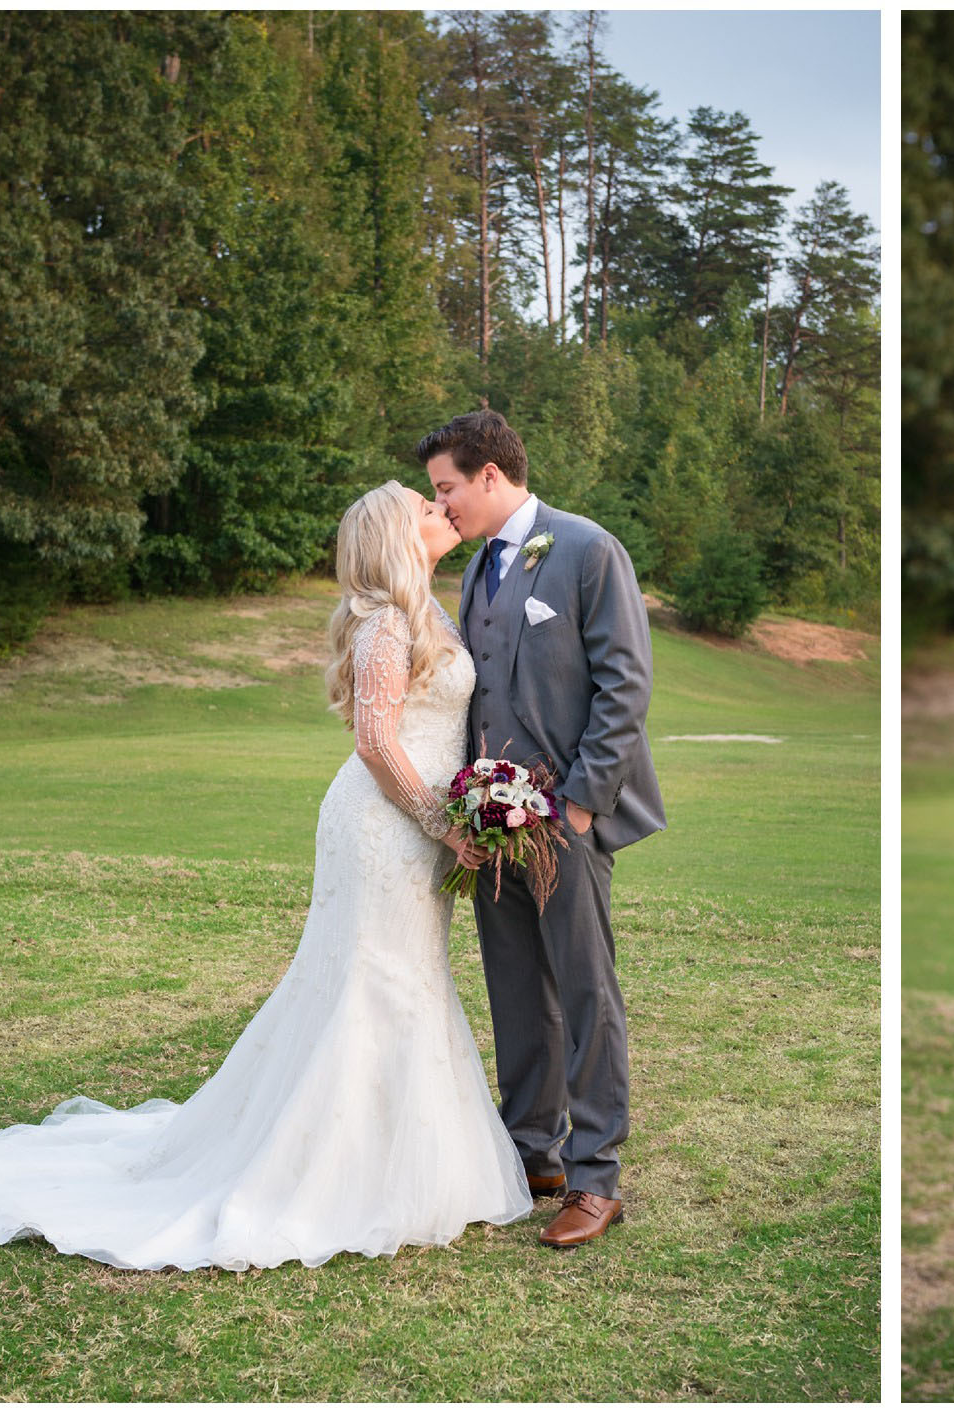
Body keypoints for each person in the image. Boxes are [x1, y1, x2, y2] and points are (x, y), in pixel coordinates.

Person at [0, 483, 536, 1270]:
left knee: (405, 976)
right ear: (393, 536)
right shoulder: (384, 622)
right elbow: (377, 742)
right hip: (386, 829)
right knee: (370, 981)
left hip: (415, 832)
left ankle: (399, 1155)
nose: (437, 509)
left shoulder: (430, 610)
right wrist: (443, 822)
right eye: (422, 504)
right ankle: (339, 1172)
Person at [420, 409, 664, 1250]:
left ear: (492, 474)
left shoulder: (587, 549)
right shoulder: (478, 565)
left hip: (566, 820)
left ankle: (598, 1178)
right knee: (517, 989)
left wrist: (584, 805)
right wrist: (471, 805)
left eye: (447, 487)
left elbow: (625, 685)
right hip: (488, 823)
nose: (442, 505)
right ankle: (535, 1152)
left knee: (586, 991)